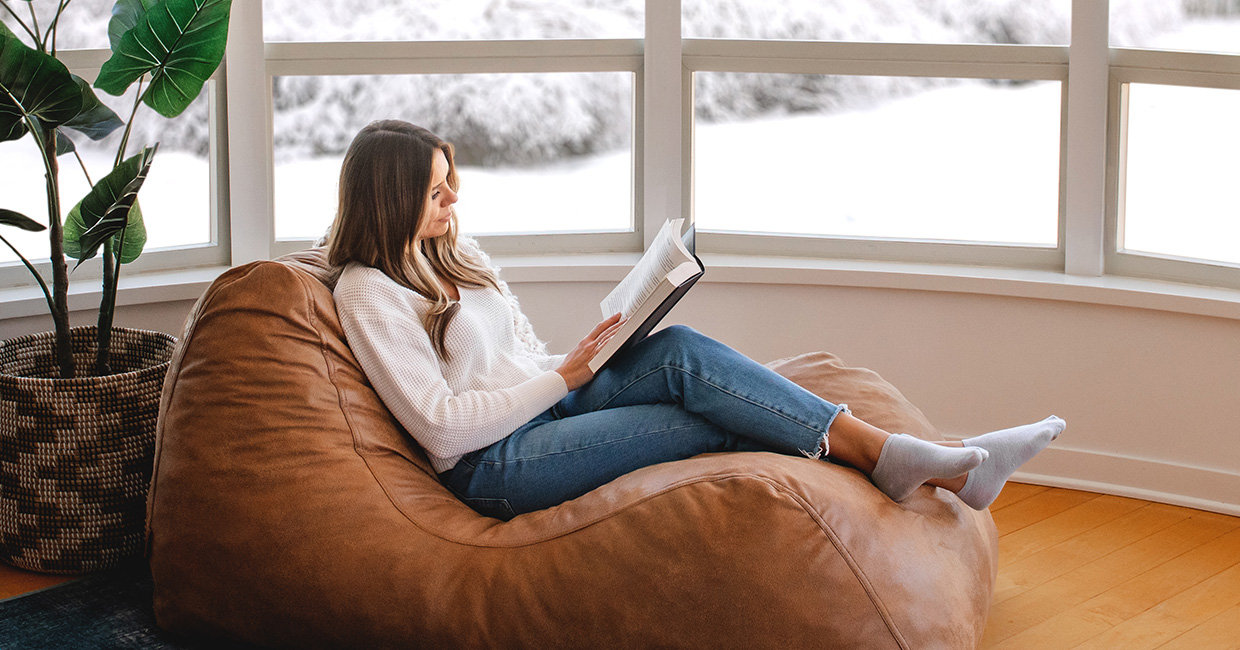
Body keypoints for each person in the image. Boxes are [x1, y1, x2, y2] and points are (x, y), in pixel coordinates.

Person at [327, 119, 1065, 521]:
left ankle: (910, 455)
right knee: (709, 422)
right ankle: (922, 463)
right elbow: (443, 428)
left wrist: (599, 348)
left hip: (551, 407)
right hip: (494, 466)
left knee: (678, 350)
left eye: (452, 184)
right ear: (388, 199)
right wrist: (565, 376)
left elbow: (516, 350)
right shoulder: (369, 293)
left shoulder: (456, 252)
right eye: (435, 193)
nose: (454, 202)